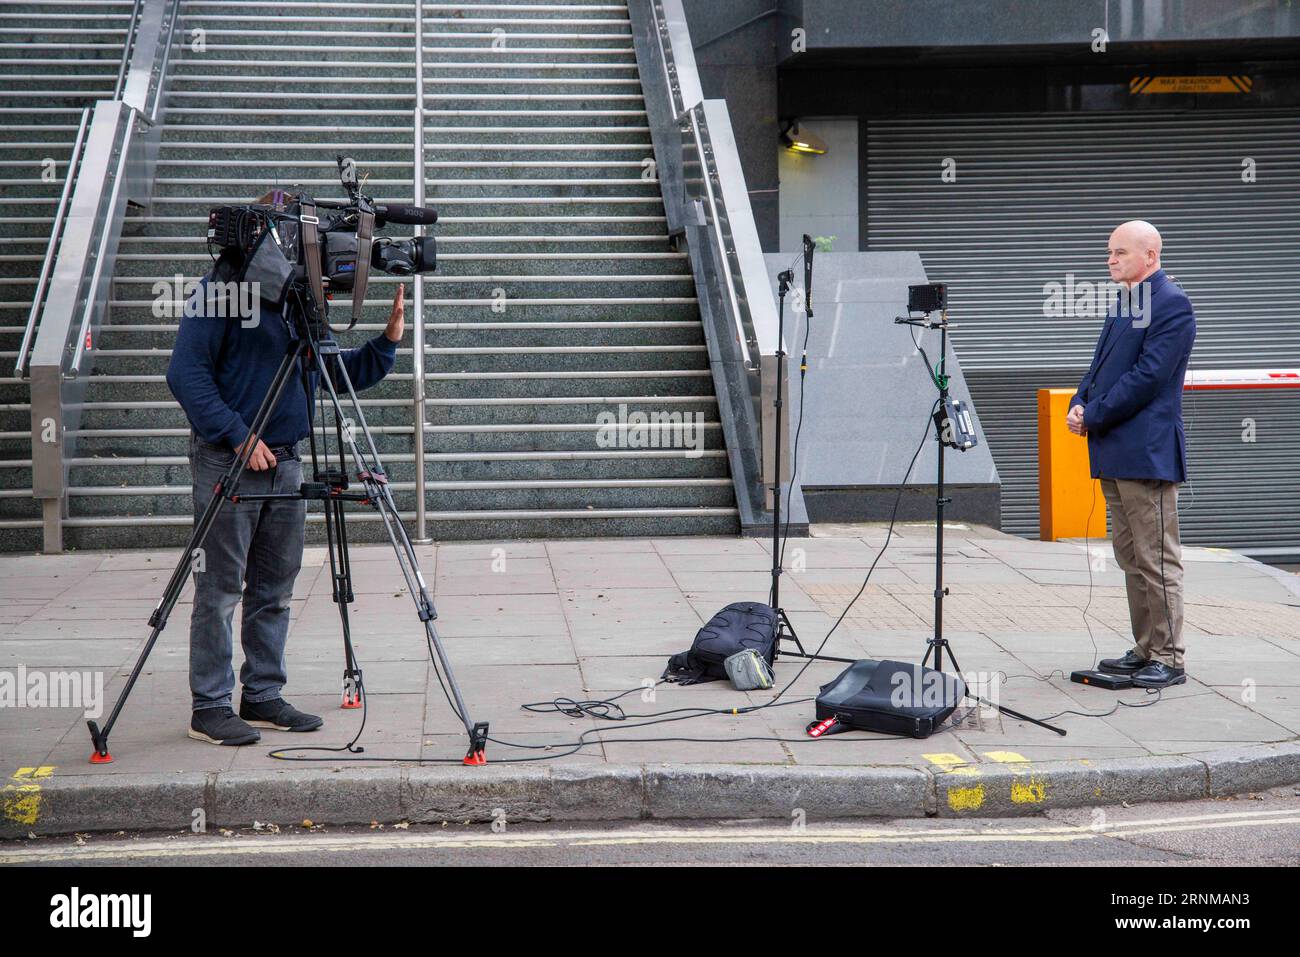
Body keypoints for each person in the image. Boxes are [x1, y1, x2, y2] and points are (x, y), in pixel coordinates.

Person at [166, 205, 406, 745]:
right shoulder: (217, 294)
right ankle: (208, 706)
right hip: (229, 461)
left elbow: (329, 372)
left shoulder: (298, 305)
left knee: (274, 589)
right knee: (220, 590)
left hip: (287, 460)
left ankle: (262, 694)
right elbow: (184, 374)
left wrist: (386, 343)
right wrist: (236, 434)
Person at [1068, 220, 1196, 689]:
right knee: (1129, 555)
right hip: (1116, 449)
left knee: (1157, 557)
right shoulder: (1127, 303)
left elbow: (1149, 377)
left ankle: (1169, 656)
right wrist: (1079, 403)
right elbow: (1100, 366)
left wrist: (1094, 413)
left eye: (1120, 252)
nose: (1110, 259)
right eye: (1109, 252)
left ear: (1151, 255)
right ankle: (1145, 648)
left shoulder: (1172, 304)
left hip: (1146, 451)